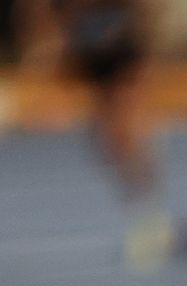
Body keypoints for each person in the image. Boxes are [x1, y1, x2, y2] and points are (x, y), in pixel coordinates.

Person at [20, 0, 171, 267]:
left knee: (123, 128)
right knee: (106, 141)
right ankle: (144, 206)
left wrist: (151, 51)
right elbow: (40, 12)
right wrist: (49, 41)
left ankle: (150, 216)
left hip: (121, 50)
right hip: (93, 50)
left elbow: (149, 9)